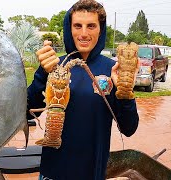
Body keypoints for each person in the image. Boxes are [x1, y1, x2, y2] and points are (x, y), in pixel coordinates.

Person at [27, 0, 139, 179]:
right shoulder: (54, 65)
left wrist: (125, 93)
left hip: (92, 172)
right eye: (77, 26)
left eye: (91, 26)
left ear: (100, 30)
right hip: (52, 172)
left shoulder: (112, 70)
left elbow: (129, 128)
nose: (84, 33)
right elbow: (25, 112)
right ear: (69, 28)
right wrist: (41, 74)